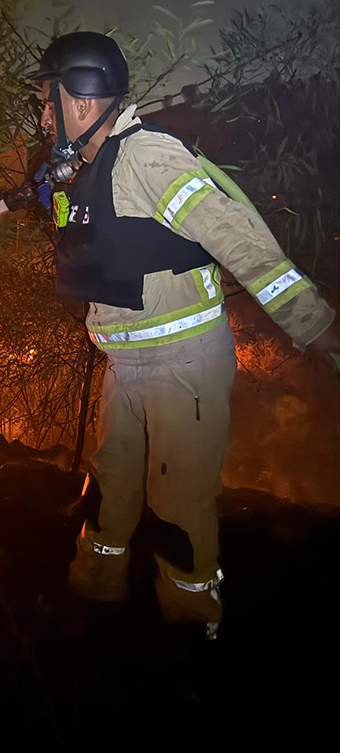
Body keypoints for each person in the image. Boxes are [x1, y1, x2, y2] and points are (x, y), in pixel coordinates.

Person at [27, 32, 340, 637]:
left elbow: (240, 241)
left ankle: (189, 627)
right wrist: (47, 191)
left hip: (184, 366)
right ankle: (93, 599)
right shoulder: (91, 170)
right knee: (109, 488)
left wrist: (317, 325)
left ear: (85, 104)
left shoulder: (151, 157)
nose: (44, 115)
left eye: (50, 100)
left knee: (177, 509)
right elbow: (97, 234)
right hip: (126, 368)